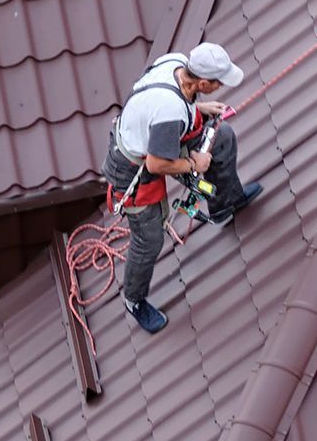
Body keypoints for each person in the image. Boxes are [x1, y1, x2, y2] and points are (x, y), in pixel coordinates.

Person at [102, 43, 263, 333]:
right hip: (133, 168)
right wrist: (194, 164)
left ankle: (225, 204)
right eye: (218, 82)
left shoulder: (175, 62)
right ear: (202, 82)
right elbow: (155, 164)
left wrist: (199, 108)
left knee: (221, 137)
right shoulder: (169, 111)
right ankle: (134, 300)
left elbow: (171, 105)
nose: (220, 86)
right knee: (149, 238)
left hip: (160, 136)